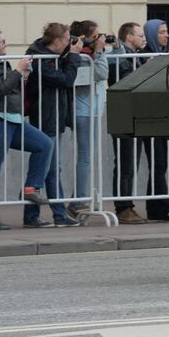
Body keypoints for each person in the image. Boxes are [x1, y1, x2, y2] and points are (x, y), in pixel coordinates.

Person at [0, 30, 54, 230]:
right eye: (3, 43)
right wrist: (18, 71)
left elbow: (12, 89)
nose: (5, 46)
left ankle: (30, 188)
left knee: (44, 144)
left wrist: (22, 76)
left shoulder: (2, 63)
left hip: (14, 120)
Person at [109, 20, 169, 223]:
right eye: (161, 32)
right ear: (129, 37)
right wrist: (154, 64)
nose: (166, 35)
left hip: (153, 115)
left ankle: (159, 205)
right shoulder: (132, 57)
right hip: (133, 116)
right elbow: (127, 79)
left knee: (157, 163)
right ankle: (125, 207)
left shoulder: (150, 56)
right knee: (128, 165)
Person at [23, 23, 84, 227]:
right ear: (57, 41)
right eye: (67, 39)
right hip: (45, 117)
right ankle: (57, 214)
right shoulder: (39, 59)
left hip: (54, 115)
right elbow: (66, 80)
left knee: (45, 168)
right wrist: (74, 56)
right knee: (49, 168)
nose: (69, 43)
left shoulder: (51, 55)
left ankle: (35, 216)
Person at [68, 20, 113, 217]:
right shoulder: (83, 57)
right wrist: (101, 52)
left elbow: (118, 60)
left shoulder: (91, 54)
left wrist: (116, 46)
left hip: (93, 111)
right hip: (83, 111)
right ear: (86, 38)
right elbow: (102, 73)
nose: (100, 39)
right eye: (97, 36)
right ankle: (79, 200)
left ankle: (77, 198)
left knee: (88, 157)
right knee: (85, 158)